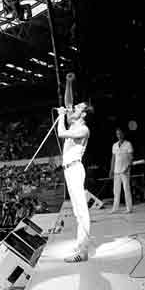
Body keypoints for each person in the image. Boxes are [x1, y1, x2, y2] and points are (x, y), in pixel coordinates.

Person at [55, 72, 91, 262]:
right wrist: (69, 83)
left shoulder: (82, 129)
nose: (73, 108)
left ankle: (83, 252)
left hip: (76, 169)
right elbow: (68, 101)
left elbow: (61, 133)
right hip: (69, 169)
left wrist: (61, 116)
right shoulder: (75, 122)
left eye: (78, 107)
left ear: (83, 114)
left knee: (82, 212)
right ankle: (79, 247)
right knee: (77, 212)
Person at [110, 127, 134, 213]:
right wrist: (111, 170)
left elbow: (131, 158)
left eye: (120, 134)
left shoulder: (128, 144)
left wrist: (127, 168)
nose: (119, 135)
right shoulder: (114, 145)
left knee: (126, 189)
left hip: (125, 171)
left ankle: (129, 208)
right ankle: (115, 208)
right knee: (116, 190)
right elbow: (113, 159)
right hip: (116, 171)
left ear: (123, 134)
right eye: (117, 134)